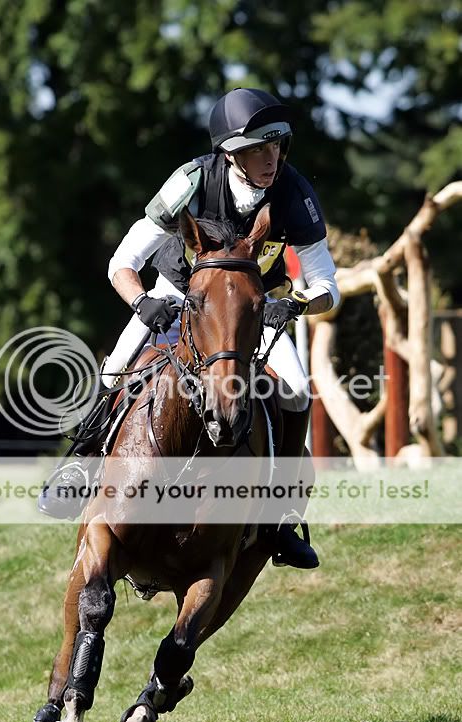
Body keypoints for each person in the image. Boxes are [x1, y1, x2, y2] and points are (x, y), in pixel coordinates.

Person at [40, 88, 340, 569]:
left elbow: (328, 283)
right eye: (258, 149)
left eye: (278, 145)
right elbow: (123, 261)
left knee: (298, 392)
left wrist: (296, 303)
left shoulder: (295, 192)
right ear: (230, 153)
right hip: (180, 293)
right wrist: (142, 302)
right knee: (117, 367)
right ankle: (78, 465)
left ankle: (280, 517)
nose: (272, 158)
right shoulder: (191, 180)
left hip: (255, 309)